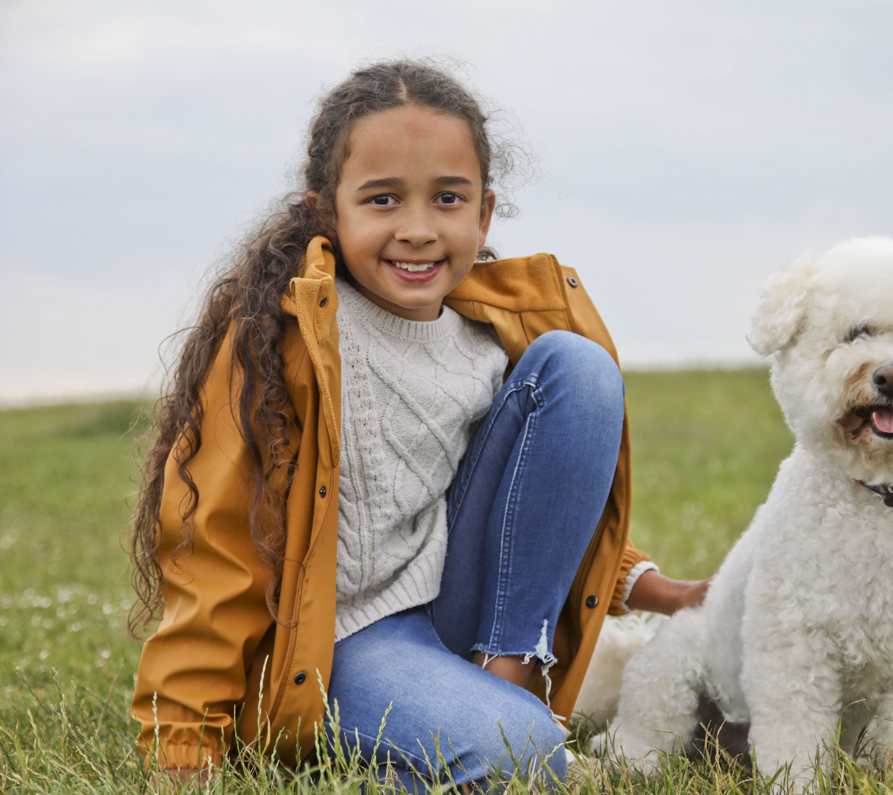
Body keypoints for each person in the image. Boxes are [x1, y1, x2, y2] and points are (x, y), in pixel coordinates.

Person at [128, 59, 707, 791]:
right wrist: (185, 751)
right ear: (326, 211)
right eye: (381, 199)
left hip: (454, 607)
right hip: (343, 645)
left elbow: (531, 505)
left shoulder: (492, 338)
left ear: (484, 214)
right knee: (520, 753)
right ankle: (481, 739)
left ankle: (508, 675)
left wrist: (661, 590)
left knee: (580, 368)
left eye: (447, 198)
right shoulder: (288, 347)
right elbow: (217, 553)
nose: (418, 229)